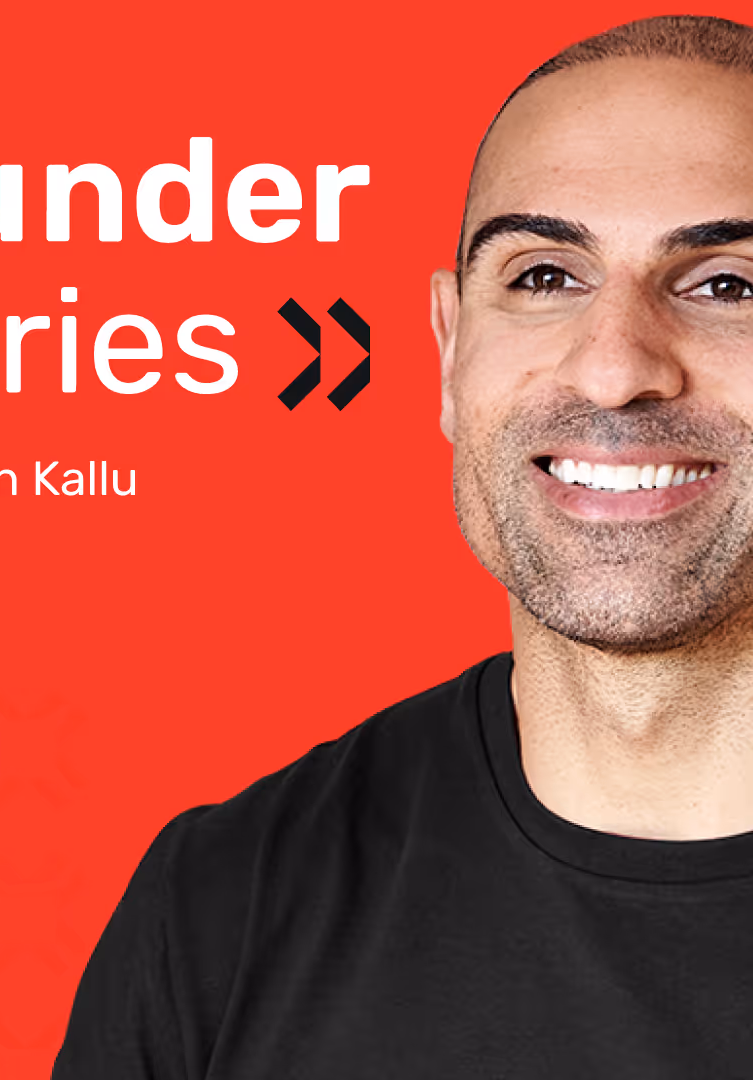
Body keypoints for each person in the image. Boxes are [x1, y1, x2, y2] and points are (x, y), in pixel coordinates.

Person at [53, 15, 753, 1077]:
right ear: (446, 350)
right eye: (543, 276)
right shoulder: (222, 911)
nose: (615, 371)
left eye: (727, 285)